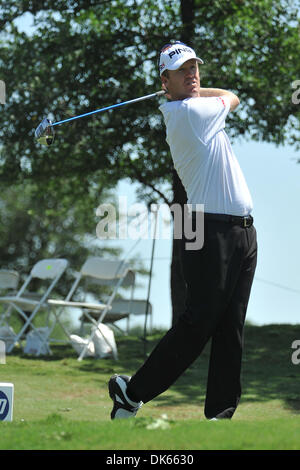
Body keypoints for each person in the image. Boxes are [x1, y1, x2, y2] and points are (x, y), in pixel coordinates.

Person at [108, 41, 257, 421]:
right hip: (209, 229)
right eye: (182, 71)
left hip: (241, 231)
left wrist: (184, 88)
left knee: (230, 326)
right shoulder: (191, 113)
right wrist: (192, 93)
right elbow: (233, 96)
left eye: (195, 68)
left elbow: (217, 96)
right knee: (199, 322)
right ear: (164, 80)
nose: (193, 75)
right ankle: (133, 393)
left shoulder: (189, 106)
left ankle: (221, 414)